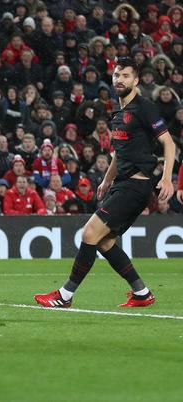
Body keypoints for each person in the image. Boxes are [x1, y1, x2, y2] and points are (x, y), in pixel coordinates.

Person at [35, 58, 176, 308]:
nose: (120, 79)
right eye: (117, 75)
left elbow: (169, 143)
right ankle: (142, 293)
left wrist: (166, 178)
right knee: (104, 241)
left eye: (125, 76)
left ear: (135, 81)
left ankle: (64, 296)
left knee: (89, 233)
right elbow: (118, 151)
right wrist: (107, 179)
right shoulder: (119, 113)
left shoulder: (144, 107)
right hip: (122, 184)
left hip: (136, 185)